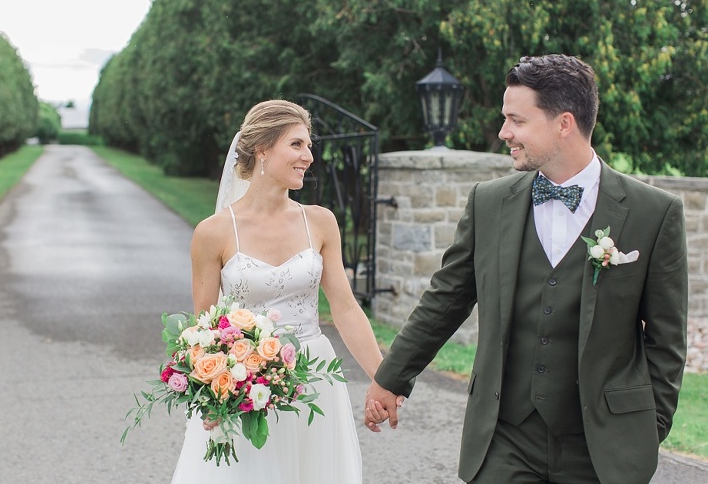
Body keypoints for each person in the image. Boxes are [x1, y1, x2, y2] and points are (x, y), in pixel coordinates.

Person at [364, 54, 688, 483]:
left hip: (601, 448)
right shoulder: (488, 202)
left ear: (564, 123)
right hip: (505, 438)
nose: (504, 133)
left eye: (516, 120)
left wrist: (647, 428)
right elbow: (445, 300)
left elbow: (667, 340)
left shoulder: (654, 212)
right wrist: (391, 378)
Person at [171, 99, 393, 483]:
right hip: (245, 383)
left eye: (309, 146)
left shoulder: (321, 222)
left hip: (314, 378)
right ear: (262, 149)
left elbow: (345, 308)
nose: (308, 156)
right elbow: (203, 325)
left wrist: (383, 378)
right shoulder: (213, 232)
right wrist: (210, 391)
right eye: (297, 144)